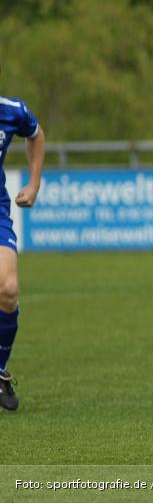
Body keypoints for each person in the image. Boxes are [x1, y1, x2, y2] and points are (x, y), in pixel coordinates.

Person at [0, 86, 45, 412]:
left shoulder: (11, 110)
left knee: (9, 290)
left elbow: (36, 134)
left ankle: (0, 371)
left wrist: (34, 183)